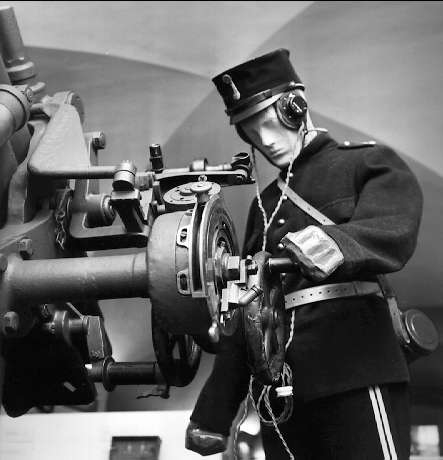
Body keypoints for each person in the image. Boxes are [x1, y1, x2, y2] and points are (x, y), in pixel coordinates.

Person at [186, 48, 423, 459]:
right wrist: (214, 412)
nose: (264, 140)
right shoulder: (264, 205)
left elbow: (394, 227)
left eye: (268, 122)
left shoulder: (365, 163)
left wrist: (335, 244)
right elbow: (246, 309)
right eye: (250, 131)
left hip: (355, 369)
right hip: (281, 393)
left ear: (295, 106)